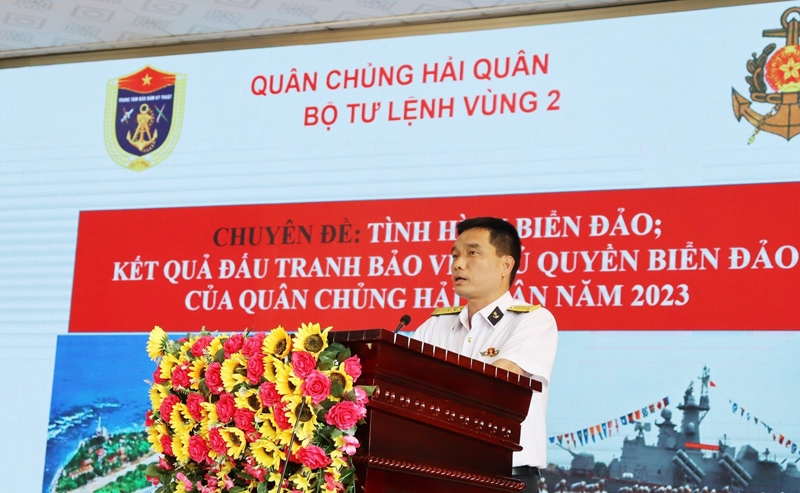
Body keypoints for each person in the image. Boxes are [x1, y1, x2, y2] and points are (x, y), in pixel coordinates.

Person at [412, 217, 558, 490]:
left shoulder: (532, 320)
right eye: (455, 255)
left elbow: (497, 384)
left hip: (505, 479)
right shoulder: (435, 325)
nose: (458, 264)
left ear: (506, 265)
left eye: (472, 253)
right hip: (439, 477)